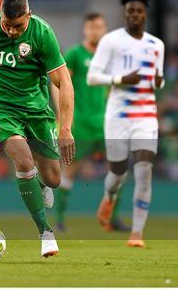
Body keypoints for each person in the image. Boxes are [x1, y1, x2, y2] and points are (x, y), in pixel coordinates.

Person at [0, 0, 75, 257]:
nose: (11, 31)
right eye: (6, 25)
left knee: (53, 179)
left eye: (18, 26)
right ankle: (45, 232)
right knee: (23, 160)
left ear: (28, 17)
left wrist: (64, 127)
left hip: (36, 110)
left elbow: (64, 82)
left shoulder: (42, 34)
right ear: (0, 15)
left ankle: (42, 184)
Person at [87, 0, 165, 247]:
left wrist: (159, 81)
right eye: (130, 10)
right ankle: (109, 196)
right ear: (125, 13)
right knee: (118, 174)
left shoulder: (157, 45)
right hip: (118, 117)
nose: (134, 14)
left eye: (139, 10)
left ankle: (137, 233)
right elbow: (92, 77)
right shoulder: (111, 41)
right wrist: (120, 79)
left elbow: (159, 81)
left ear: (145, 14)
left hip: (145, 116)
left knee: (144, 170)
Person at [51, 13, 130, 232]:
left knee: (119, 169)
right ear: (85, 30)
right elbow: (58, 83)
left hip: (105, 125)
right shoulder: (76, 54)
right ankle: (59, 220)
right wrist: (63, 114)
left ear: (104, 29)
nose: (95, 31)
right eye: (91, 27)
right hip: (82, 124)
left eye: (99, 27)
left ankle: (111, 218)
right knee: (70, 170)